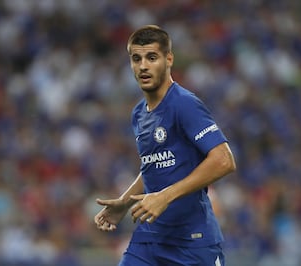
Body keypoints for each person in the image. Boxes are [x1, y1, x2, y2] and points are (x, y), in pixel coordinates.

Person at [94, 25, 236, 266]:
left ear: (168, 59)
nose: (143, 66)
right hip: (150, 239)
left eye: (152, 57)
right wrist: (125, 202)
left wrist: (164, 197)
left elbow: (224, 160)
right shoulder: (139, 113)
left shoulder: (185, 104)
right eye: (136, 59)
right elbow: (154, 166)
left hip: (193, 242)